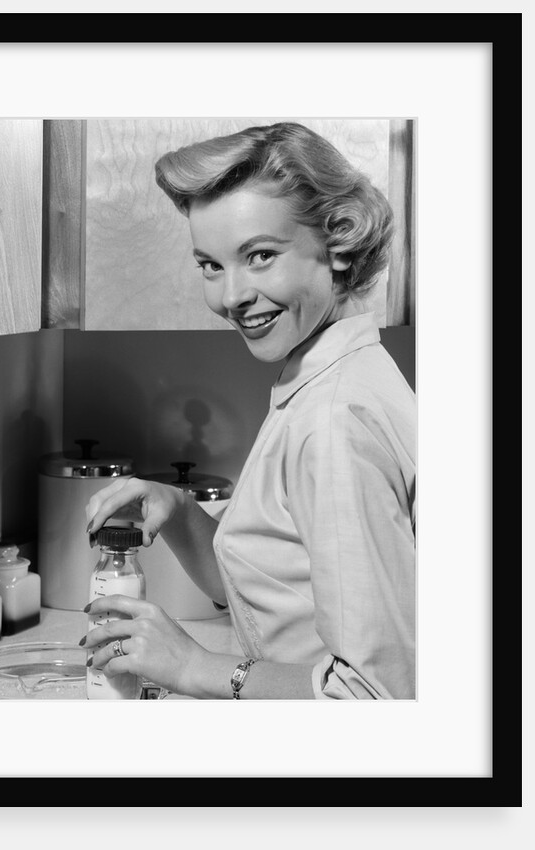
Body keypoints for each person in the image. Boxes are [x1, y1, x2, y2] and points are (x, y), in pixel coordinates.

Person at [83, 122, 415, 700]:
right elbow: (277, 595)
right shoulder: (327, 377)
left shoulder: (333, 421)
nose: (230, 295)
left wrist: (192, 666)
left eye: (259, 256)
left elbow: (374, 696)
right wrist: (182, 514)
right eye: (210, 265)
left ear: (337, 241)